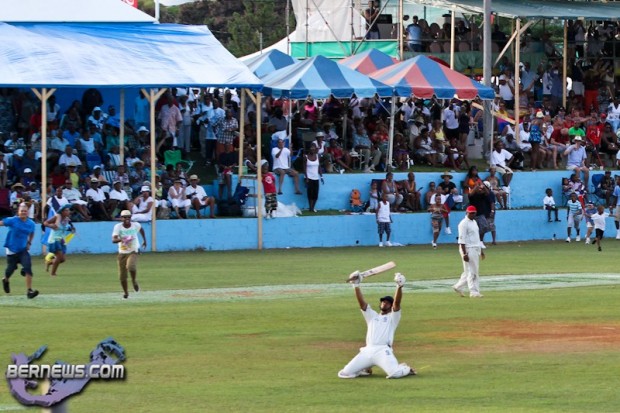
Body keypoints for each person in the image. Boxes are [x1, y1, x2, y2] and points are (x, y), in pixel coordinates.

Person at [338, 272, 416, 379]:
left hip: (383, 351)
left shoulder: (393, 318)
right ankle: (364, 369)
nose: (384, 303)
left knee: (395, 374)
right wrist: (356, 285)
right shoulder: (372, 316)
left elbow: (397, 304)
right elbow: (362, 304)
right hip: (368, 350)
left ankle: (405, 368)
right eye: (383, 301)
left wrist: (399, 286)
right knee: (344, 373)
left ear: (391, 305)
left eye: (387, 302)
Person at [0, 203, 39, 299]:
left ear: (27, 212)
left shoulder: (31, 223)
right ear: (18, 212)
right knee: (11, 269)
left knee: (27, 267)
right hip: (11, 248)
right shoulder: (13, 220)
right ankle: (5, 279)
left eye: (25, 211)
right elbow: (1, 223)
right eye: (21, 211)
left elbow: (32, 233)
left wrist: (29, 243)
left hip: (22, 249)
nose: (23, 212)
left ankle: (29, 291)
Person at [112, 210, 146, 299]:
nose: (127, 219)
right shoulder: (118, 227)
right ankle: (126, 292)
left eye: (128, 217)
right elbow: (114, 240)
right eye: (124, 217)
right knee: (122, 276)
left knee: (131, 266)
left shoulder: (135, 225)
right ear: (121, 218)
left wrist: (144, 240)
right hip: (122, 252)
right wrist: (122, 239)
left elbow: (141, 229)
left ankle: (134, 281)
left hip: (133, 250)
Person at [453, 205, 485, 298]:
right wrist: (464, 254)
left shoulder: (474, 222)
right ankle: (474, 292)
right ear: (467, 213)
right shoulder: (463, 223)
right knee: (473, 271)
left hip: (475, 247)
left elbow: (476, 237)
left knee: (468, 271)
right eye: (471, 213)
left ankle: (458, 286)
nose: (473, 215)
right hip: (468, 248)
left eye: (474, 213)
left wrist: (481, 250)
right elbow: (461, 240)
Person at [43, 204, 75, 276]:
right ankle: (53, 273)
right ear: (62, 212)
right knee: (59, 257)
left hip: (61, 239)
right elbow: (45, 223)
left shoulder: (67, 219)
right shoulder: (57, 217)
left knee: (62, 259)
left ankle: (49, 262)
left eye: (68, 210)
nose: (68, 212)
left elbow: (65, 228)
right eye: (66, 210)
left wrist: (71, 229)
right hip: (54, 239)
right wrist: (51, 225)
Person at [304, 145, 322, 213]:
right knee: (310, 193)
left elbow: (319, 166)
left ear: (315, 150)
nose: (312, 150)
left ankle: (313, 207)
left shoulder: (317, 156)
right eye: (311, 149)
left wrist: (321, 176)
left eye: (313, 149)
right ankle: (310, 208)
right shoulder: (305, 157)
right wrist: (306, 178)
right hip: (309, 178)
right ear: (309, 150)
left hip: (316, 178)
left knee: (315, 194)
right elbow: (304, 168)